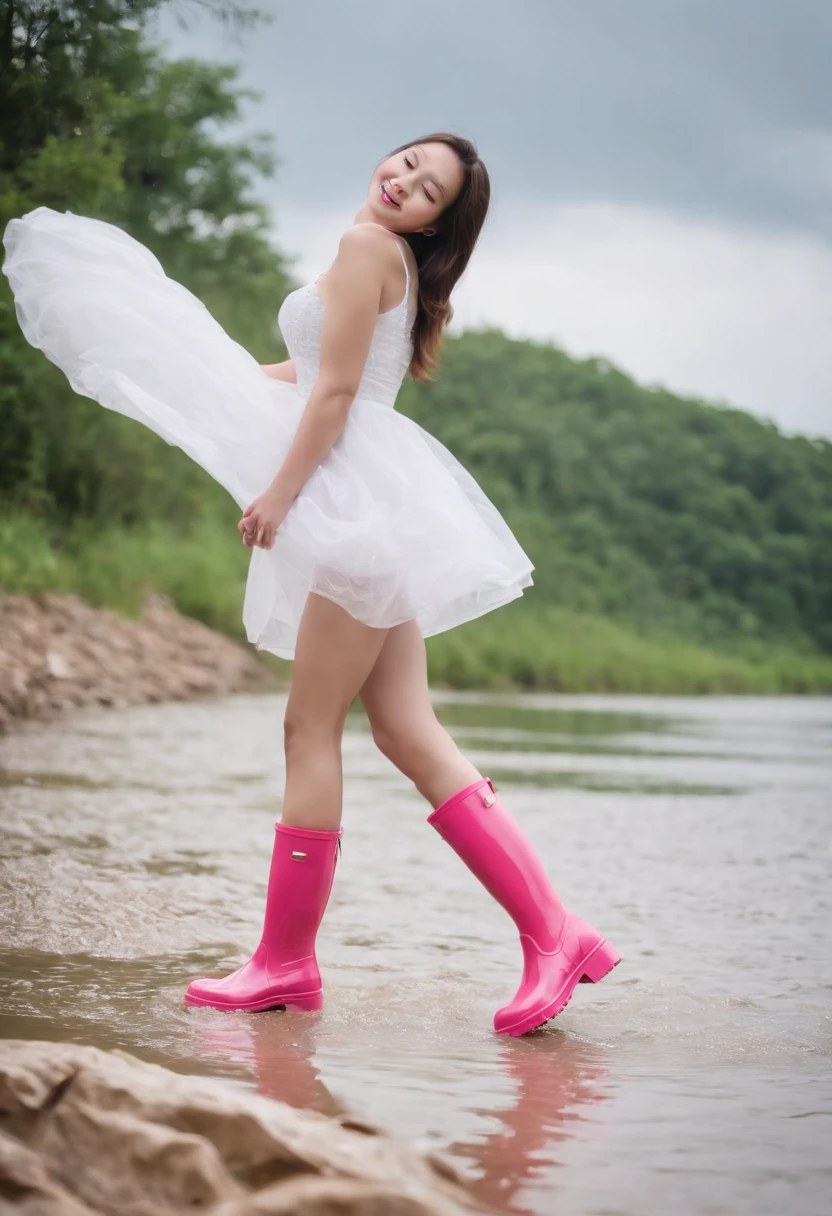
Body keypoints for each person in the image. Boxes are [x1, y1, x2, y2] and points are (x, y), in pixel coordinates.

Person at [3, 131, 620, 1036]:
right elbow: (309, 374)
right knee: (408, 732)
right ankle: (554, 933)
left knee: (309, 727)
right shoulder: (385, 260)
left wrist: (278, 495)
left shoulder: (369, 248)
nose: (404, 180)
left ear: (438, 222)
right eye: (407, 162)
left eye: (428, 189)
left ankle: (287, 963)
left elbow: (333, 396)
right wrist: (191, 382)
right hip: (378, 505)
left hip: (348, 506)